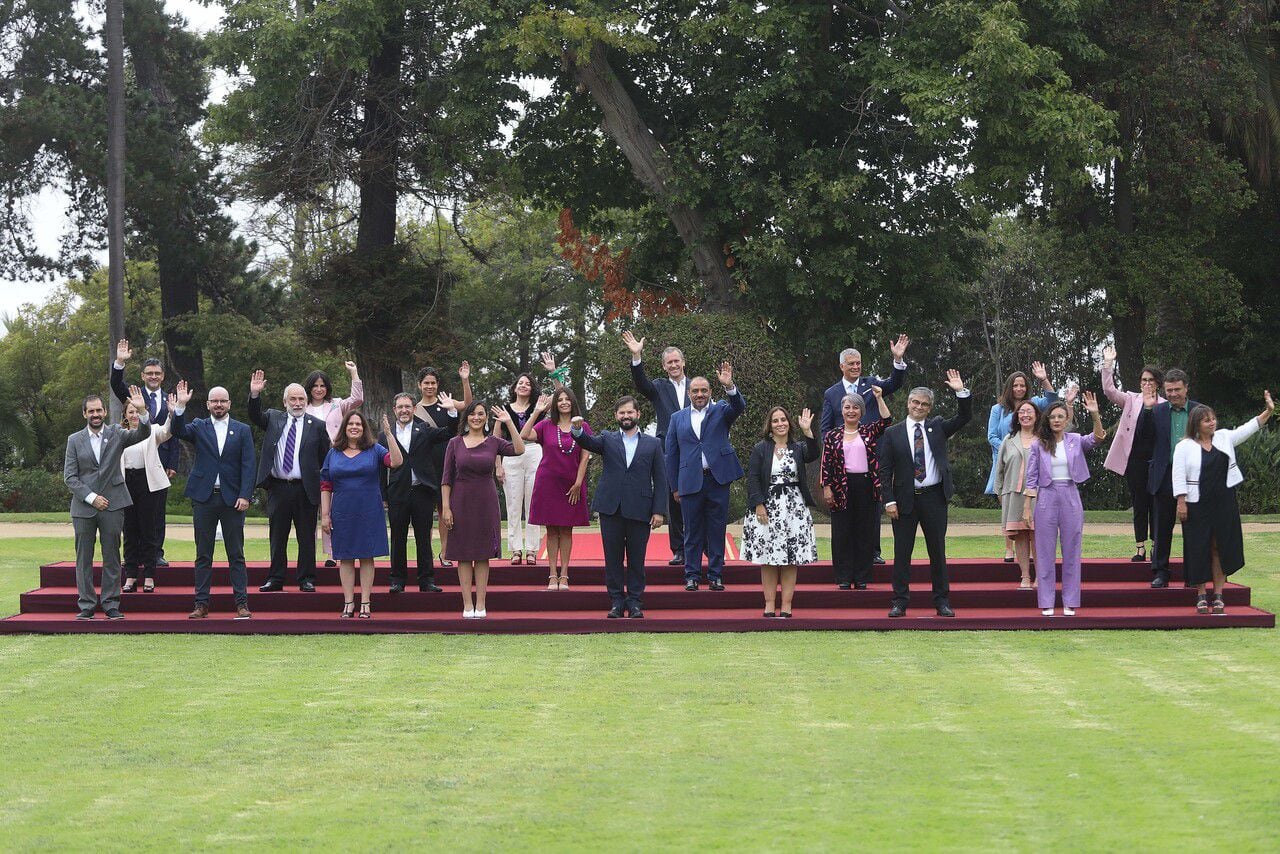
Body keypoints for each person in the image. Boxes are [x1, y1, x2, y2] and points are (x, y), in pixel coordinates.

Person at [877, 370, 972, 617]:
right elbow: (884, 470)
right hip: (904, 500)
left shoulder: (937, 427)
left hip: (934, 498)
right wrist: (888, 500)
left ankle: (942, 601)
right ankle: (899, 601)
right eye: (915, 402)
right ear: (908, 403)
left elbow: (964, 417)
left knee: (937, 553)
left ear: (929, 408)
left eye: (924, 404)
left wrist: (960, 392)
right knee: (902, 553)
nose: (919, 407)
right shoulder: (892, 433)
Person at [1174, 392, 1274, 614]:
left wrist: (1268, 411)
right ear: (1196, 424)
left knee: (1219, 546)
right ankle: (1201, 595)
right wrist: (1181, 501)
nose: (1213, 422)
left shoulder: (1224, 437)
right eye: (1207, 420)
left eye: (1213, 419)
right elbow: (1178, 475)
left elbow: (1248, 428)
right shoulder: (1184, 447)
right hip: (1196, 504)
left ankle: (1218, 595)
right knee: (1198, 547)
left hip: (1223, 502)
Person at [571, 397, 667, 618]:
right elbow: (587, 442)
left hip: (641, 509)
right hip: (611, 508)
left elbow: (661, 479)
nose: (626, 416)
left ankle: (634, 602)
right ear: (616, 416)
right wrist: (576, 431)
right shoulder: (607, 438)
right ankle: (616, 601)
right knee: (612, 558)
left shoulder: (653, 444)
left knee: (637, 559)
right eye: (622, 413)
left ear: (638, 414)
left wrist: (659, 510)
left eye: (629, 412)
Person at [819, 335, 911, 565]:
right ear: (841, 366)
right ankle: (847, 555)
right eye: (851, 363)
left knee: (872, 506)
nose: (856, 367)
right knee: (845, 510)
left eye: (858, 363)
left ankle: (873, 551)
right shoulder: (831, 393)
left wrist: (898, 360)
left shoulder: (871, 384)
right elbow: (825, 428)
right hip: (842, 463)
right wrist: (833, 451)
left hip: (871, 458)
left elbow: (894, 384)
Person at [170, 381, 256, 620]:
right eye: (214, 401)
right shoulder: (198, 426)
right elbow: (178, 431)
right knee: (203, 554)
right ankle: (201, 604)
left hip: (232, 499)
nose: (219, 404)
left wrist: (245, 495)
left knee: (236, 554)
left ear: (229, 403)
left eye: (222, 401)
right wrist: (180, 407)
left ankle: (241, 603)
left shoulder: (242, 430)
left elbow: (249, 465)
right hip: (204, 498)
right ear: (208, 404)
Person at [64, 387, 151, 620]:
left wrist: (142, 411)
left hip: (113, 504)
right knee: (84, 558)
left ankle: (111, 604)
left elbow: (142, 434)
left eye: (99, 410)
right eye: (91, 411)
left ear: (105, 412)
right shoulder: (74, 440)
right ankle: (86, 605)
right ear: (84, 413)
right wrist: (92, 497)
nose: (95, 414)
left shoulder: (116, 433)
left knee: (112, 555)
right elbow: (70, 477)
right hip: (84, 508)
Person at [1023, 394, 1108, 616]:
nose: (1057, 420)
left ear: (1067, 419)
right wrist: (1026, 508)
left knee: (1072, 550)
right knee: (1044, 551)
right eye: (1053, 417)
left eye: (1061, 416)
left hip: (1070, 494)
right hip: (1046, 496)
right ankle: (1047, 601)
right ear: (1048, 420)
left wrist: (1095, 413)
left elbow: (1098, 437)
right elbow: (1031, 478)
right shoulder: (1038, 445)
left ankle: (1070, 601)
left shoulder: (1076, 440)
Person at [665, 361, 746, 591]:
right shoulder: (677, 418)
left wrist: (729, 386)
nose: (699, 394)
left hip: (717, 479)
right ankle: (691, 575)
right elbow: (671, 454)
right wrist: (674, 487)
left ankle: (715, 574)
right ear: (689, 393)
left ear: (710, 392)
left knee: (716, 529)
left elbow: (739, 406)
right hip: (689, 481)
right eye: (695, 391)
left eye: (704, 391)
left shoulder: (721, 409)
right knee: (691, 530)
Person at [247, 371, 330, 593]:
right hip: (278, 487)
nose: (297, 403)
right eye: (293, 399)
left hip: (305, 489)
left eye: (301, 399)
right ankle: (275, 578)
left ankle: (306, 579)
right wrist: (255, 394)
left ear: (306, 401)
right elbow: (255, 416)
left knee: (306, 537)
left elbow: (325, 459)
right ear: (285, 402)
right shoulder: (274, 418)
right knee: (278, 535)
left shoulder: (318, 425)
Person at [442, 401, 524, 618]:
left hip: (485, 502)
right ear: (466, 418)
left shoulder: (494, 442)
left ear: (486, 417)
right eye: (472, 414)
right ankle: (467, 604)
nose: (476, 418)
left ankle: (481, 603)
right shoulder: (455, 442)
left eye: (480, 414)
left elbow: (519, 449)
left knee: (482, 554)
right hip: (460, 501)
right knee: (463, 554)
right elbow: (446, 478)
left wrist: (509, 423)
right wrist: (446, 508)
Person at [320, 410, 404, 618]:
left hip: (369, 510)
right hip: (342, 511)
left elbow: (396, 462)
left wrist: (389, 435)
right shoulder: (334, 453)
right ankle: (349, 602)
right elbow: (325, 485)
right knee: (345, 557)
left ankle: (365, 602)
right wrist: (325, 514)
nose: (355, 427)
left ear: (364, 428)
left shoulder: (374, 449)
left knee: (367, 557)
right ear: (345, 428)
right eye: (350, 424)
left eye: (359, 424)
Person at [379, 391, 459, 593]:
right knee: (398, 537)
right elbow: (380, 468)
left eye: (408, 407)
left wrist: (451, 411)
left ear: (414, 409)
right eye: (400, 407)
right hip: (397, 492)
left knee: (424, 537)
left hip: (422, 491)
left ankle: (427, 580)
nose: (404, 410)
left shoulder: (424, 429)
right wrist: (383, 496)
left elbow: (448, 433)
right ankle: (397, 580)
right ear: (394, 410)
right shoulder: (384, 435)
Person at [623, 330, 691, 567]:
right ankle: (679, 549)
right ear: (663, 366)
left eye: (676, 361)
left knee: (695, 498)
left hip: (694, 450)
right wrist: (637, 356)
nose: (673, 365)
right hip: (669, 449)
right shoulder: (659, 387)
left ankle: (697, 547)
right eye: (669, 362)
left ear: (683, 362)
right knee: (673, 500)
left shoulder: (697, 386)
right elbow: (641, 384)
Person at [744, 406, 819, 618]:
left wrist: (808, 432)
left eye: (783, 420)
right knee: (768, 558)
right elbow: (753, 478)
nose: (780, 424)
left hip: (794, 509)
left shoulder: (798, 447)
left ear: (789, 423)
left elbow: (813, 454)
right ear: (770, 425)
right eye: (775, 421)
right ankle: (769, 604)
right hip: (767, 508)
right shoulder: (761, 448)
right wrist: (758, 504)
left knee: (790, 558)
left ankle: (786, 605)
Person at [110, 339, 180, 567]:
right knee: (132, 514)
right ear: (142, 375)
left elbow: (173, 431)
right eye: (149, 373)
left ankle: (155, 553)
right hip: (134, 460)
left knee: (157, 512)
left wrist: (172, 462)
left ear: (162, 376)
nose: (153, 376)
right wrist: (120, 362)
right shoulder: (134, 395)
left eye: (157, 373)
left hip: (161, 458)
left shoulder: (170, 397)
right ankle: (135, 554)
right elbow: (116, 385)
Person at [819, 388, 892, 590]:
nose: (851, 411)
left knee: (864, 531)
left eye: (855, 407)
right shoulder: (832, 436)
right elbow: (826, 464)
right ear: (841, 410)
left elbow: (886, 421)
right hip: (840, 486)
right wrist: (827, 487)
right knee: (842, 532)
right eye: (847, 407)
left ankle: (861, 576)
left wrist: (878, 398)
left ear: (861, 411)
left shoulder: (868, 431)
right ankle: (843, 576)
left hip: (867, 486)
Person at [984, 363, 1058, 562]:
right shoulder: (998, 409)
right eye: (1015, 385)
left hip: (1032, 463)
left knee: (1031, 508)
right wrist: (1010, 449)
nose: (1019, 389)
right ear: (1009, 387)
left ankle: (1033, 551)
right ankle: (1009, 549)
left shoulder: (1033, 404)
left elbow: (1053, 400)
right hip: (1007, 463)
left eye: (1022, 385)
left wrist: (1043, 379)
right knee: (1008, 509)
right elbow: (991, 436)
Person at [522, 387, 592, 589]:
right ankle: (552, 574)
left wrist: (579, 483)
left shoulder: (582, 425)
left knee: (566, 530)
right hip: (548, 483)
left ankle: (565, 574)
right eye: (559, 399)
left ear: (573, 402)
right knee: (551, 530)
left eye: (567, 399)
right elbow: (524, 434)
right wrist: (536, 411)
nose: (563, 402)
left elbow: (585, 456)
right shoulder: (546, 425)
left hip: (572, 484)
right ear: (555, 404)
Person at [1100, 346, 1165, 562]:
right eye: (1144, 380)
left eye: (1151, 380)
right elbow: (1109, 391)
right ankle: (1140, 548)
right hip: (1135, 460)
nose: (1147, 384)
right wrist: (1108, 364)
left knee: (1156, 503)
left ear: (1158, 384)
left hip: (1157, 461)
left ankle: (1157, 546)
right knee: (1139, 503)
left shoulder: (1164, 405)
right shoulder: (1130, 399)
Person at [305, 360, 364, 568]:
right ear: (309, 388)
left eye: (322, 386)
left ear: (327, 388)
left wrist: (354, 372)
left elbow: (357, 398)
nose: (319, 389)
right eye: (315, 386)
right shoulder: (302, 407)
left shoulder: (338, 405)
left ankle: (332, 554)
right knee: (308, 512)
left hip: (334, 461)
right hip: (309, 464)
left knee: (330, 509)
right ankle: (308, 556)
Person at [414, 362, 474, 569]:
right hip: (424, 464)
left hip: (447, 462)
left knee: (444, 510)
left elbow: (467, 404)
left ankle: (446, 552)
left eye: (433, 383)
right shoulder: (414, 409)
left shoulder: (446, 403)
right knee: (424, 512)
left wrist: (465, 379)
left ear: (438, 385)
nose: (430, 386)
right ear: (419, 385)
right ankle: (426, 554)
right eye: (426, 383)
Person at [1147, 368, 1199, 588]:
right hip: (1164, 475)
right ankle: (1161, 571)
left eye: (1177, 389)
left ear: (1186, 388)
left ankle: (1193, 572)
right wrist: (1145, 411)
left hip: (1194, 476)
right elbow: (1144, 439)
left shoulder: (1199, 410)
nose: (1173, 394)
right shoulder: (1156, 411)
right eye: (1169, 390)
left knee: (1194, 526)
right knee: (1161, 525)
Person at [118, 392, 174, 593]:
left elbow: (168, 431)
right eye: (130, 412)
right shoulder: (118, 433)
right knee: (130, 530)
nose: (134, 415)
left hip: (149, 484)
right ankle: (131, 575)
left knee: (148, 530)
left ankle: (149, 575)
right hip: (126, 484)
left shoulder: (152, 431)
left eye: (137, 411)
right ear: (125, 415)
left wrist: (171, 413)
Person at [495, 373, 545, 566]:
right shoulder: (505, 409)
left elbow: (561, 395)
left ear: (532, 388)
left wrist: (553, 371)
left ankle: (532, 549)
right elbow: (496, 438)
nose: (524, 386)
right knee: (513, 503)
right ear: (515, 387)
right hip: (511, 453)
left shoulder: (539, 407)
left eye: (528, 383)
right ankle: (516, 549)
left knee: (533, 502)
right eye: (520, 383)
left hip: (534, 452)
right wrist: (498, 465)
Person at [993, 400, 1041, 590]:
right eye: (1021, 412)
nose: (1025, 415)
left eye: (1029, 411)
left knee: (1038, 535)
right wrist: (999, 492)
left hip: (1039, 495)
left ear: (1037, 415)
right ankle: (1025, 576)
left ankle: (1040, 577)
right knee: (1020, 535)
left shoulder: (1044, 438)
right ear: (1017, 417)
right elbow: (1000, 469)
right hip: (1013, 494)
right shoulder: (1008, 439)